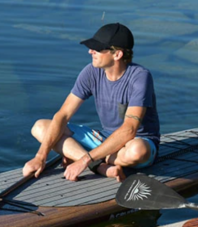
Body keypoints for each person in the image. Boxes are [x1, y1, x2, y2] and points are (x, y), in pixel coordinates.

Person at [22, 23, 160, 182]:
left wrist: (83, 160)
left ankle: (83, 156)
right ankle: (100, 166)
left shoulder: (140, 77)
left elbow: (129, 130)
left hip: (136, 142)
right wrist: (40, 157)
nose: (90, 51)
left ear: (117, 55)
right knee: (40, 127)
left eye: (98, 49)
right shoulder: (91, 72)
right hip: (104, 139)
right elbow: (63, 115)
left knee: (137, 151)